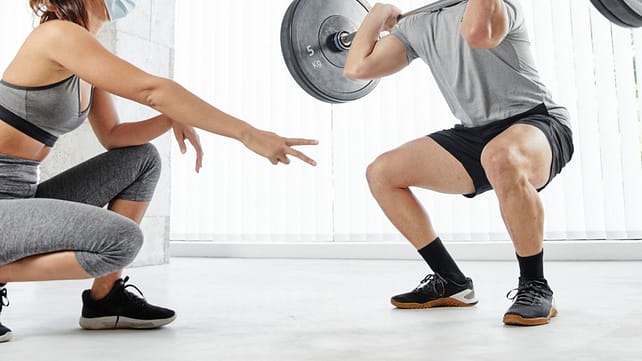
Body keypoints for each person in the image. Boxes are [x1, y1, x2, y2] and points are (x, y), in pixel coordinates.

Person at [0, 0, 317, 342]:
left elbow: (114, 136)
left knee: (142, 160)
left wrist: (171, 117)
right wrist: (246, 133)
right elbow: (153, 90)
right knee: (122, 241)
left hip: (20, 197)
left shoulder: (85, 49)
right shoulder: (58, 35)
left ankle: (105, 300)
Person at [344, 0, 573, 326]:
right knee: (381, 173)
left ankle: (535, 285)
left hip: (537, 123)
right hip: (475, 135)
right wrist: (377, 14)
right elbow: (356, 69)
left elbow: (478, 34)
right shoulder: (417, 24)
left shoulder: (498, 5)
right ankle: (451, 282)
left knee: (500, 156)